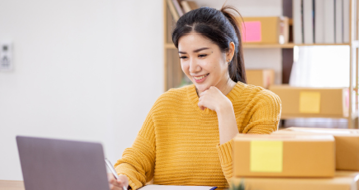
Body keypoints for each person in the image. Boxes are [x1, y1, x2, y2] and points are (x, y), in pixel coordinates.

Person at [108, 5, 281, 190]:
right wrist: (123, 178)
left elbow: (246, 184)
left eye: (202, 55)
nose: (192, 67)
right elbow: (134, 162)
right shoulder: (167, 102)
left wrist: (225, 111)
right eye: (184, 57)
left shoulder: (262, 103)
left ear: (229, 51)